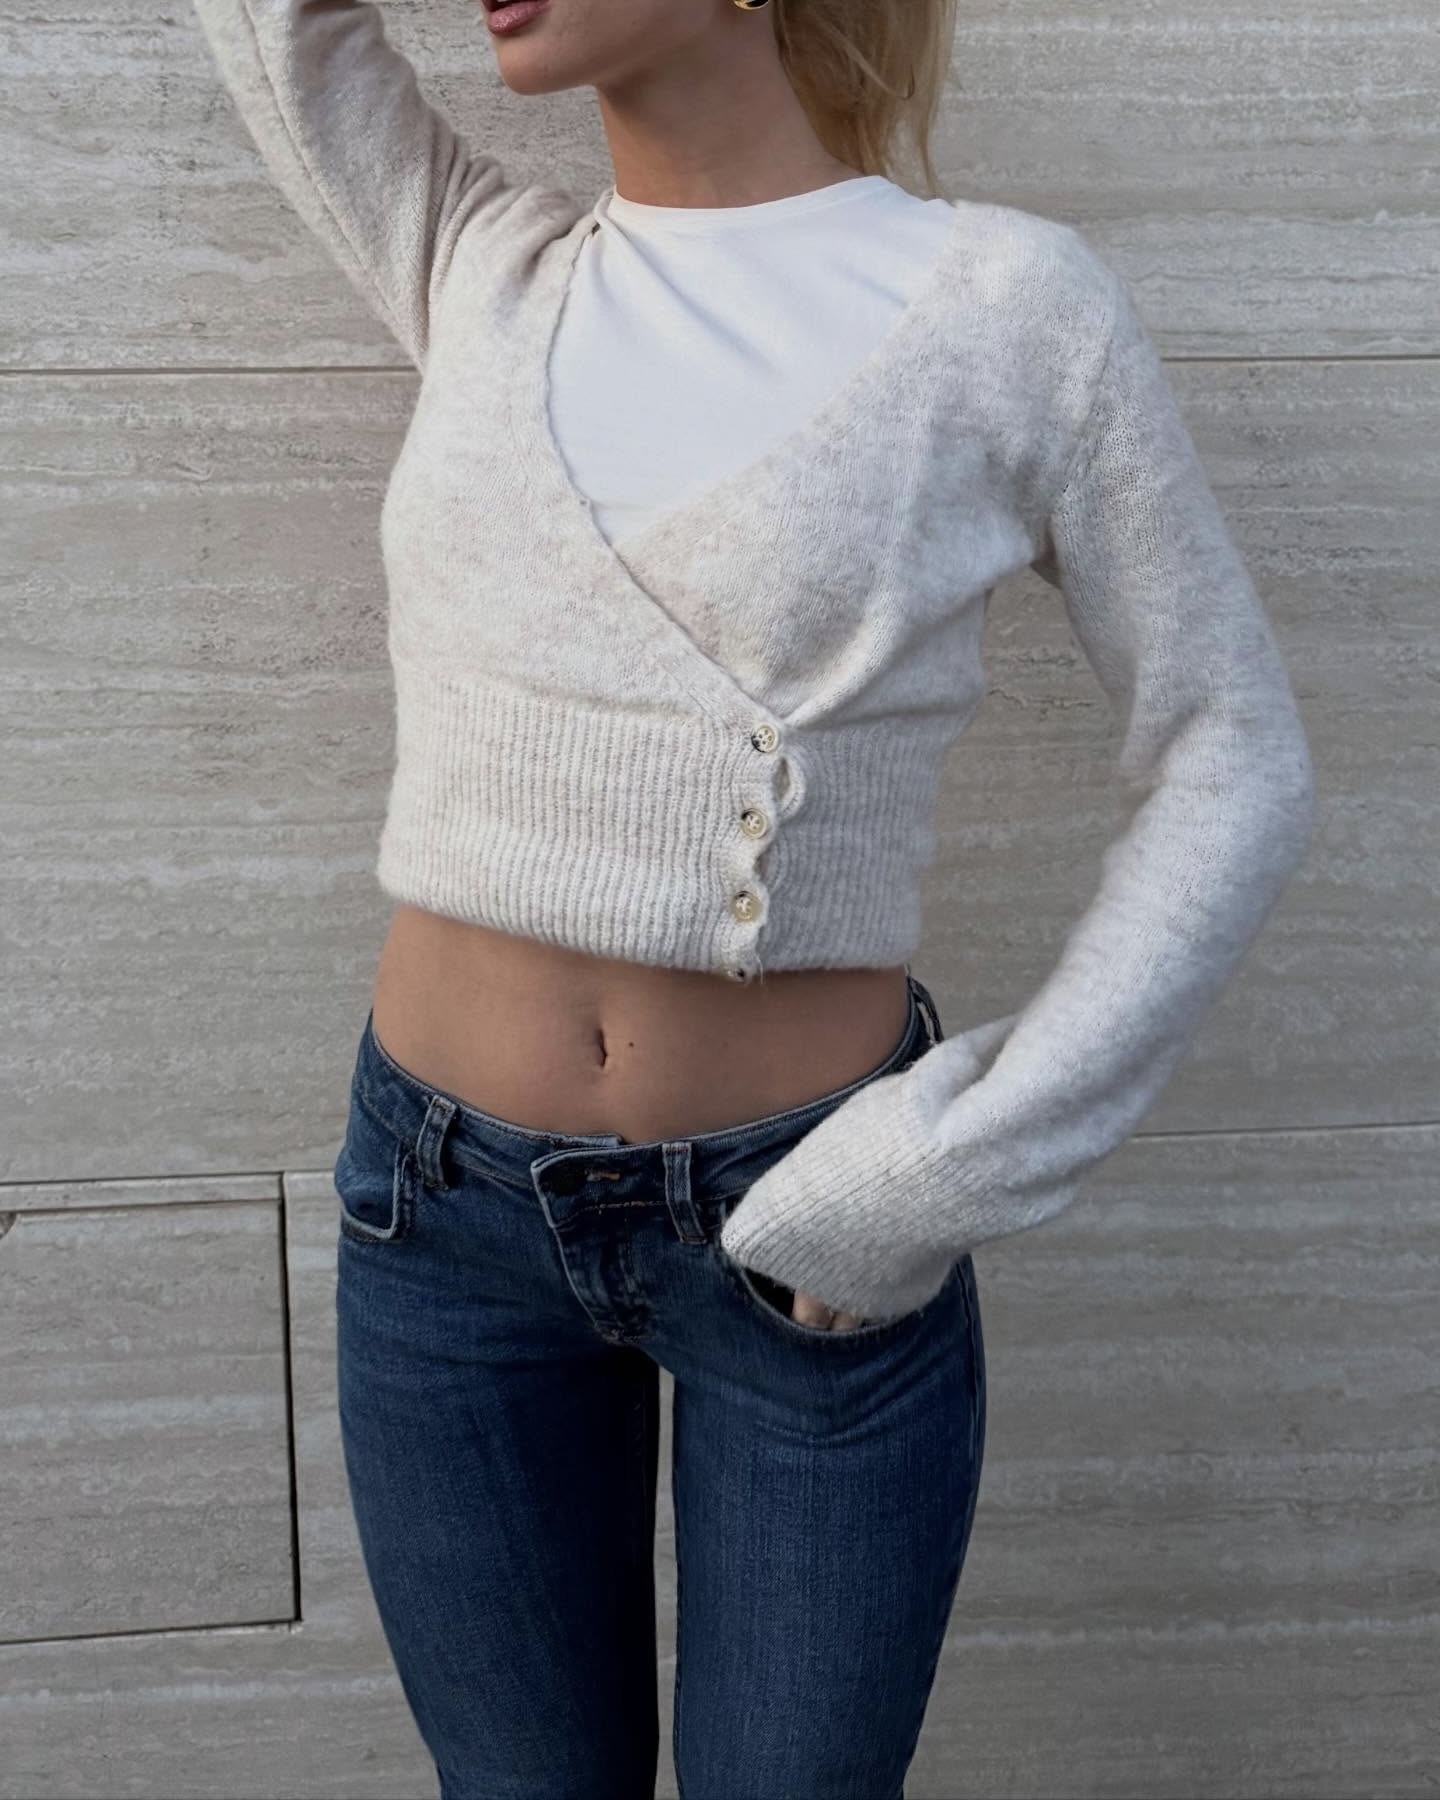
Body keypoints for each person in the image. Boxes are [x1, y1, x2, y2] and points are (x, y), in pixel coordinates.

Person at [190, 0, 1318, 1795]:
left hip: (813, 1243)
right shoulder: (476, 259)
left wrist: (946, 1166)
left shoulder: (1012, 310)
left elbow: (1232, 752)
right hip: (439, 1223)